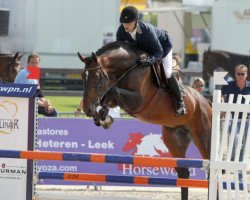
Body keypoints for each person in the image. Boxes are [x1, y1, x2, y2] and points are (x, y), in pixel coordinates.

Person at [116, 6, 186, 116]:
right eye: (123, 22)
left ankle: (180, 103)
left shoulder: (146, 30)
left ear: (135, 21)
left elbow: (158, 52)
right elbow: (120, 48)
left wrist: (150, 61)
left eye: (128, 23)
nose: (125, 25)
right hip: (143, 49)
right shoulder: (121, 30)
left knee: (167, 72)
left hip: (163, 46)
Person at [221, 64, 250, 164]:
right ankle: (233, 156)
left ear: (246, 74)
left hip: (247, 120)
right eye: (239, 74)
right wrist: (222, 108)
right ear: (235, 74)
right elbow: (221, 97)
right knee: (237, 141)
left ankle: (239, 167)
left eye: (243, 74)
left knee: (245, 145)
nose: (241, 76)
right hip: (233, 119)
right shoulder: (227, 85)